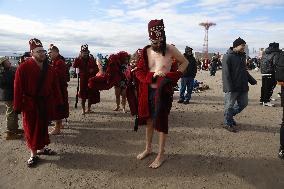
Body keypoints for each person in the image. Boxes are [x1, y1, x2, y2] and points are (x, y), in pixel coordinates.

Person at [135, 19, 189, 169]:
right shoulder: (145, 52)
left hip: (163, 91)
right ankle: (148, 148)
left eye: (161, 41)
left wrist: (173, 76)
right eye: (155, 41)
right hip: (148, 91)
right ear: (150, 39)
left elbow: (185, 62)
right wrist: (151, 76)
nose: (158, 44)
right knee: (149, 121)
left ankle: (161, 154)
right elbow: (139, 72)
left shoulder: (171, 49)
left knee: (161, 121)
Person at [14, 38, 62, 167]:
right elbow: (18, 88)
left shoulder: (50, 68)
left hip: (45, 103)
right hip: (30, 104)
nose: (42, 53)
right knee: (30, 129)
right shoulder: (23, 68)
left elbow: (54, 86)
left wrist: (58, 100)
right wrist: (17, 106)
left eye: (43, 51)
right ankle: (33, 154)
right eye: (38, 51)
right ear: (32, 53)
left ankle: (41, 148)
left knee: (42, 127)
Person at [222, 37, 257, 133]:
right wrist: (229, 88)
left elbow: (244, 71)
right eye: (242, 45)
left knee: (243, 103)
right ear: (236, 46)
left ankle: (228, 116)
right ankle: (227, 122)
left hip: (243, 85)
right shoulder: (227, 56)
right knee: (229, 105)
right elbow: (226, 73)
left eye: (244, 46)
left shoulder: (242, 56)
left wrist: (252, 80)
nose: (243, 48)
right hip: (232, 87)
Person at [48, 44, 69, 135]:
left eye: (51, 52)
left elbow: (57, 76)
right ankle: (59, 125)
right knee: (59, 107)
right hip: (59, 88)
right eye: (48, 53)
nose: (49, 54)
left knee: (58, 107)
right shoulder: (55, 61)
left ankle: (57, 128)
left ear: (56, 52)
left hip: (60, 89)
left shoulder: (59, 62)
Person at [0, 57, 23, 140]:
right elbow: (8, 82)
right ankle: (9, 133)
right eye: (7, 62)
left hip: (11, 95)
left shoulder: (8, 71)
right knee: (10, 113)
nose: (9, 62)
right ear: (3, 64)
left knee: (14, 112)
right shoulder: (3, 73)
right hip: (8, 95)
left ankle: (15, 129)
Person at [73, 44, 99, 115]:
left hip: (91, 79)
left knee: (90, 95)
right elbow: (74, 65)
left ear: (88, 52)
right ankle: (83, 109)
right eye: (83, 52)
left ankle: (89, 109)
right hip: (83, 80)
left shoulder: (91, 60)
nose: (85, 54)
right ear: (81, 53)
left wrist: (92, 70)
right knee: (83, 95)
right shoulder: (79, 59)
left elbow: (97, 69)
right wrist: (78, 57)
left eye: (86, 52)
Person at [260, 42, 280, 107]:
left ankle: (262, 100)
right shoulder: (276, 53)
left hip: (263, 71)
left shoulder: (265, 52)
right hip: (271, 72)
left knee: (264, 87)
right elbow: (275, 63)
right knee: (270, 86)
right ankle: (266, 101)